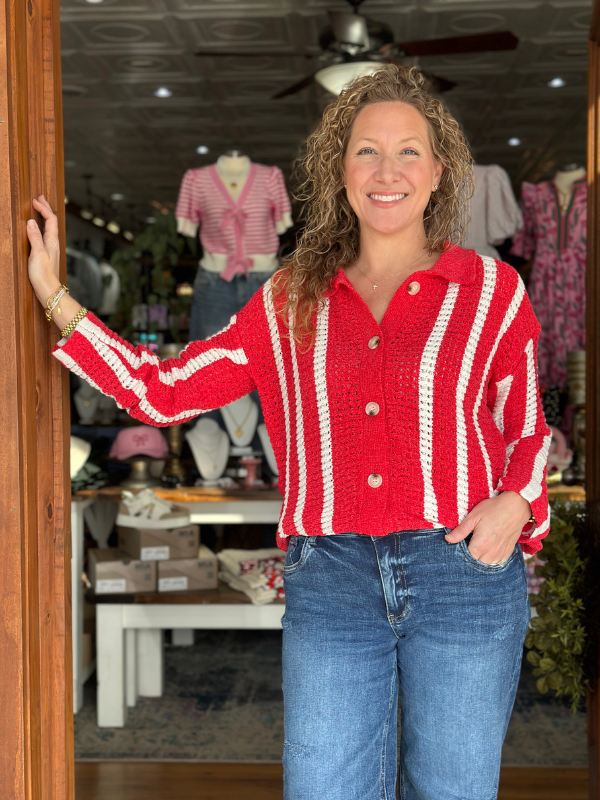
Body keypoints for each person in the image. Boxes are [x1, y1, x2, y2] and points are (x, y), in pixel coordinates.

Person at [28, 66, 550, 800]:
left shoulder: (491, 291)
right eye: (366, 150)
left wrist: (517, 504)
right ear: (340, 171)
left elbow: (526, 427)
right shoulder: (287, 298)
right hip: (331, 578)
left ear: (439, 171)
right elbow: (163, 390)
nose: (387, 170)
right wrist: (56, 299)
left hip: (462, 572)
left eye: (409, 151)